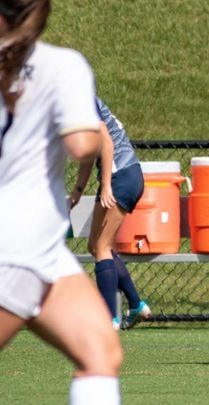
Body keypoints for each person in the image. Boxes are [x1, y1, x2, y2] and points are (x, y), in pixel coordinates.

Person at [0, 1, 123, 404]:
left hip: (42, 250)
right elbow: (82, 143)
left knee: (100, 351)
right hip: (16, 245)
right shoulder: (60, 65)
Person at [69, 97, 152, 330]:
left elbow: (106, 144)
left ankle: (109, 320)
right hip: (123, 176)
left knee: (102, 247)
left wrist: (106, 185)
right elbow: (88, 155)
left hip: (121, 176)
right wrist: (77, 192)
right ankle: (136, 305)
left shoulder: (82, 101)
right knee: (96, 246)